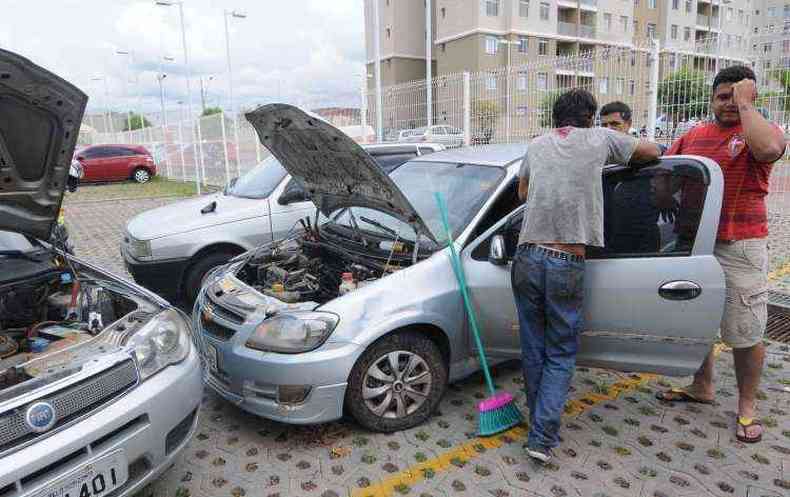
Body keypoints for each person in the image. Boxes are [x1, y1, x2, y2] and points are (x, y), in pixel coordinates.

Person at [513, 89, 661, 463]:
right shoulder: (601, 138)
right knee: (561, 351)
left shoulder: (536, 145)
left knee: (534, 346)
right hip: (565, 259)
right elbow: (653, 153)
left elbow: (522, 191)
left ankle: (537, 420)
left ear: (555, 117)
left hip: (527, 255)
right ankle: (542, 438)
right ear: (591, 117)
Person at [657, 66, 786, 444]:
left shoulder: (760, 131)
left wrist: (747, 108)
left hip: (740, 244)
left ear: (751, 97)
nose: (730, 103)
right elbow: (666, 165)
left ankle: (747, 407)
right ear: (712, 99)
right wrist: (663, 191)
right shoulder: (694, 135)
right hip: (695, 245)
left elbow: (769, 150)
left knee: (744, 331)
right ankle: (703, 386)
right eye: (723, 96)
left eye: (738, 96)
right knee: (697, 321)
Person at [601, 101, 668, 154]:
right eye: (604, 125)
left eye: (614, 124)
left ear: (629, 124)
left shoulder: (645, 150)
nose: (608, 129)